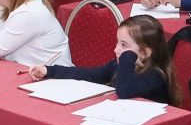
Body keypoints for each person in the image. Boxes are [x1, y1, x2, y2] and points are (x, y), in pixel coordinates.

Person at [32, 14, 172, 102]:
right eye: (117, 43)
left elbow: (125, 91)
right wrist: (49, 71)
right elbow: (87, 74)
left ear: (145, 53)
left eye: (124, 45)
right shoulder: (116, 66)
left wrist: (128, 56)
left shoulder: (154, 76)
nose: (116, 50)